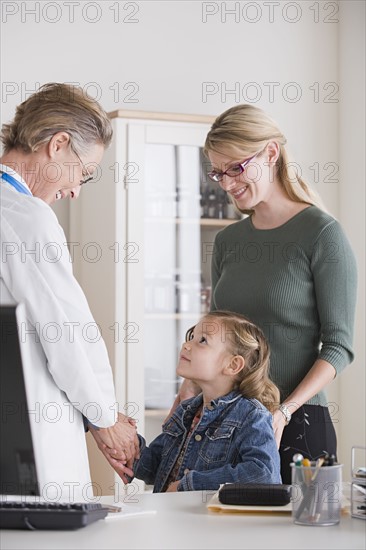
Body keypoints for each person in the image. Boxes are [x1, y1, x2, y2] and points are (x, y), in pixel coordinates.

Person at [176, 104, 356, 484]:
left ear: (271, 153)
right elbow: (214, 334)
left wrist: (284, 411)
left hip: (297, 423)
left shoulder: (322, 235)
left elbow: (339, 346)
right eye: (217, 172)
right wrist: (189, 391)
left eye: (236, 169)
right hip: (226, 422)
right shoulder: (228, 241)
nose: (225, 184)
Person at [0, 83, 137, 499]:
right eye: (85, 172)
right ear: (58, 145)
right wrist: (103, 417)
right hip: (31, 435)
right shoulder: (26, 216)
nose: (76, 190)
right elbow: (65, 330)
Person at [109, 311, 282, 492]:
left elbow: (263, 475)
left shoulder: (252, 416)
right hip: (172, 518)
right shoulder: (186, 411)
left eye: (202, 341)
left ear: (233, 365)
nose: (186, 345)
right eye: (191, 337)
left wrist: (189, 485)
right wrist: (127, 442)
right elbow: (155, 467)